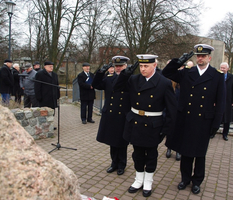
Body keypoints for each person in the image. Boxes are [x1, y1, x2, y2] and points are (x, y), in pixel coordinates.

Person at [162, 44, 225, 194]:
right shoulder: (187, 73)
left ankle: (197, 181)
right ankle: (185, 179)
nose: (200, 58)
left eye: (203, 56)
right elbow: (167, 72)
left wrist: (216, 124)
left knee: (200, 154)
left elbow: (221, 102)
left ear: (209, 57)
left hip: (204, 120)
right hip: (186, 119)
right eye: (198, 55)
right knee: (185, 152)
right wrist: (179, 61)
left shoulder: (217, 76)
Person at [114, 54, 177, 197]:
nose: (143, 69)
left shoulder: (164, 82)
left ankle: (148, 181)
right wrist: (125, 74)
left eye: (146, 66)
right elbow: (117, 88)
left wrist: (166, 129)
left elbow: (172, 109)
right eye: (141, 66)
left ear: (154, 65)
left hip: (153, 124)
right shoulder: (134, 79)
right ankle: (138, 179)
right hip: (136, 122)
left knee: (151, 155)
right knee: (137, 154)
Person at [92, 56, 130, 176]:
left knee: (122, 142)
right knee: (112, 140)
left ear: (126, 66)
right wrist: (100, 72)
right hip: (110, 113)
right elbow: (96, 85)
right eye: (116, 66)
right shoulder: (109, 79)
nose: (118, 68)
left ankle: (122, 164)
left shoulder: (130, 79)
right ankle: (114, 163)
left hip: (123, 114)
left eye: (121, 66)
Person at [219, 62, 233, 141]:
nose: (222, 69)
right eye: (221, 67)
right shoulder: (218, 75)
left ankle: (225, 134)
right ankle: (213, 132)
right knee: (217, 117)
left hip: (228, 100)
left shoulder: (231, 77)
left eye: (224, 68)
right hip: (219, 100)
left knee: (227, 118)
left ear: (227, 69)